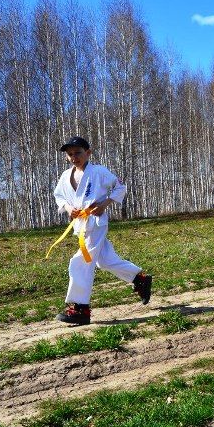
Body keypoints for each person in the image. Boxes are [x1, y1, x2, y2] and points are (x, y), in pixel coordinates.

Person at [51, 136, 151, 325]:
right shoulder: (65, 176)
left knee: (81, 260)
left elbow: (120, 186)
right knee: (104, 261)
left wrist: (105, 203)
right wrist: (67, 207)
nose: (74, 157)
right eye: (70, 154)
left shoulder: (98, 172)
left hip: (95, 223)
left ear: (88, 153)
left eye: (78, 153)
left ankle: (80, 308)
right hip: (81, 225)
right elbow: (59, 196)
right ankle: (139, 279)